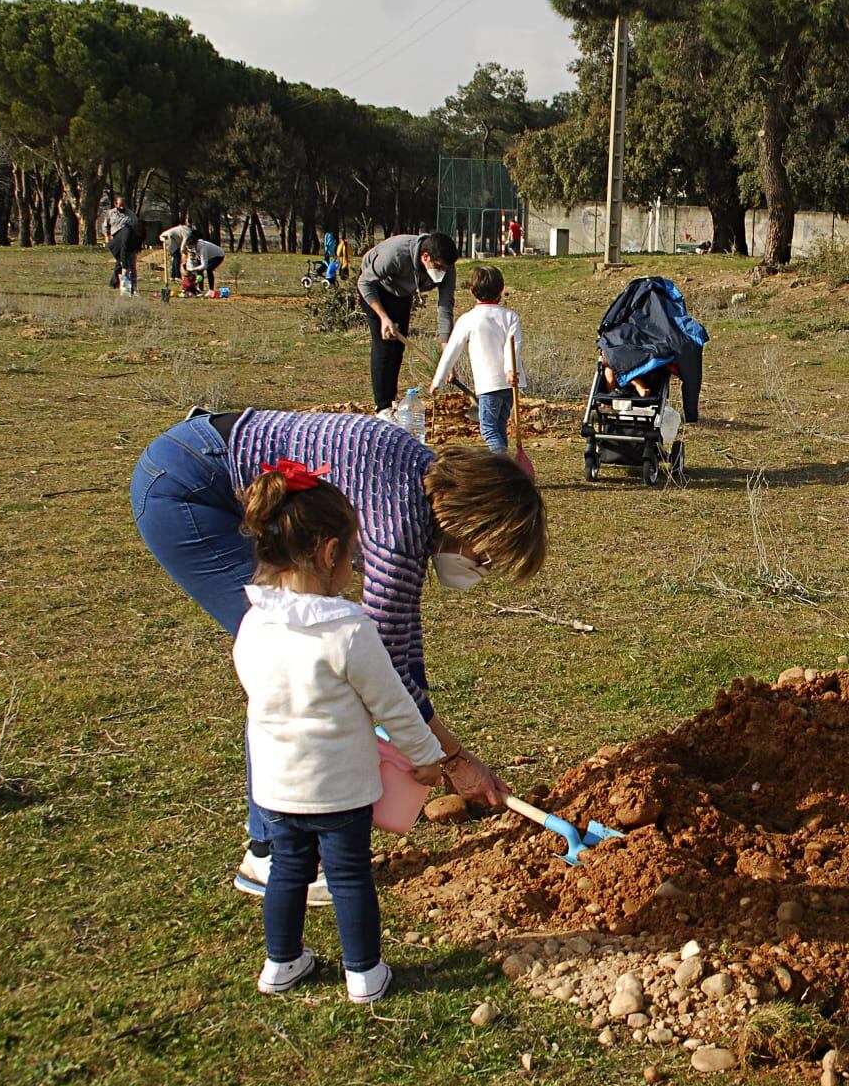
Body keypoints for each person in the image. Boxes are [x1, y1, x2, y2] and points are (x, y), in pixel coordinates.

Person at [131, 408, 542, 899]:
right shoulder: (399, 530)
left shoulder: (423, 485)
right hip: (188, 488)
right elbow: (385, 666)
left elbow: (404, 650)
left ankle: (286, 843)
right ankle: (274, 855)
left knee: (306, 663)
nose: (482, 567)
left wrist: (439, 745)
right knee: (292, 664)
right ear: (473, 525)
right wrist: (451, 759)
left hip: (194, 456)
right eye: (486, 555)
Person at [232, 459, 453, 1004]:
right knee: (349, 876)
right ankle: (364, 973)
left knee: (287, 872)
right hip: (340, 792)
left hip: (278, 790)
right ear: (330, 553)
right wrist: (428, 756)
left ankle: (280, 963)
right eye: (351, 555)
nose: (354, 567)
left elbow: (256, 690)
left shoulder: (253, 623)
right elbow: (395, 705)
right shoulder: (349, 631)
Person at [356, 231, 459, 411]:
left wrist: (447, 354)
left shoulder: (447, 268)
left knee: (398, 346)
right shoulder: (396, 254)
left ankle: (391, 398)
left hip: (402, 292)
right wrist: (384, 318)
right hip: (375, 288)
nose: (442, 272)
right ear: (425, 256)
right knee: (385, 344)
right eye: (439, 267)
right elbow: (364, 283)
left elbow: (445, 307)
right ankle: (383, 408)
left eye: (446, 268)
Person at [430, 266, 524, 451]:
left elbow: (451, 351)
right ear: (501, 290)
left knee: (488, 429)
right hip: (509, 385)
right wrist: (509, 371)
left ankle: (502, 466)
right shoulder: (510, 316)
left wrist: (437, 380)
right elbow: (512, 346)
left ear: (472, 292)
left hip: (489, 386)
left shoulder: (468, 319)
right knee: (499, 426)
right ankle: (504, 469)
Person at [102, 194, 139, 293]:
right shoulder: (110, 213)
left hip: (129, 241)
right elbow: (105, 226)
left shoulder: (131, 215)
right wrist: (107, 236)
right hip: (116, 240)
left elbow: (136, 227)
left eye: (124, 205)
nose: (122, 207)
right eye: (120, 205)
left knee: (126, 262)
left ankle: (125, 284)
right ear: (115, 204)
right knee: (121, 261)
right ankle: (116, 282)